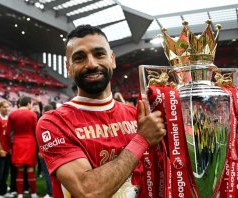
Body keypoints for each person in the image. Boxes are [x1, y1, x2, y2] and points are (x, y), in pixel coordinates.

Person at [35, 25, 166, 197]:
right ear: (68, 68)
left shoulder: (136, 114)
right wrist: (142, 140)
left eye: (99, 54)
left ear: (112, 59)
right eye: (80, 58)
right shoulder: (53, 123)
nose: (91, 64)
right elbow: (88, 191)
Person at [7, 96, 39, 198]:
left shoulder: (12, 114)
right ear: (29, 103)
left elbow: (8, 132)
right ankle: (33, 194)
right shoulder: (33, 114)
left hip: (17, 143)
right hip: (30, 143)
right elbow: (36, 131)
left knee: (20, 170)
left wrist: (10, 146)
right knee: (30, 169)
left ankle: (20, 194)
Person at [0, 100, 12, 198]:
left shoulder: (9, 118)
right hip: (1, 151)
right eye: (4, 107)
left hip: (8, 150)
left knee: (6, 172)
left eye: (7, 107)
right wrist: (1, 149)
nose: (6, 109)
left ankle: (3, 191)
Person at [38, 104, 54, 198]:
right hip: (55, 152)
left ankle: (50, 193)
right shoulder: (57, 121)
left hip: (46, 152)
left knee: (48, 174)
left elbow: (41, 137)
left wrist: (41, 151)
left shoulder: (42, 121)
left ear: (44, 111)